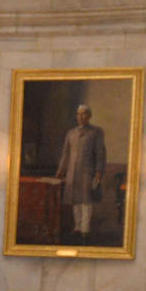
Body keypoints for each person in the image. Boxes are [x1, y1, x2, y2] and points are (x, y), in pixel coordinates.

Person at [55, 102, 108, 239]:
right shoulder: (71, 133)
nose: (81, 117)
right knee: (75, 201)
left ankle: (85, 229)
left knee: (85, 201)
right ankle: (77, 227)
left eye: (84, 114)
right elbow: (65, 154)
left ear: (89, 116)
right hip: (72, 173)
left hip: (87, 173)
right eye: (79, 114)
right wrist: (61, 170)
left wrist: (99, 172)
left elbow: (100, 153)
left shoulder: (96, 132)